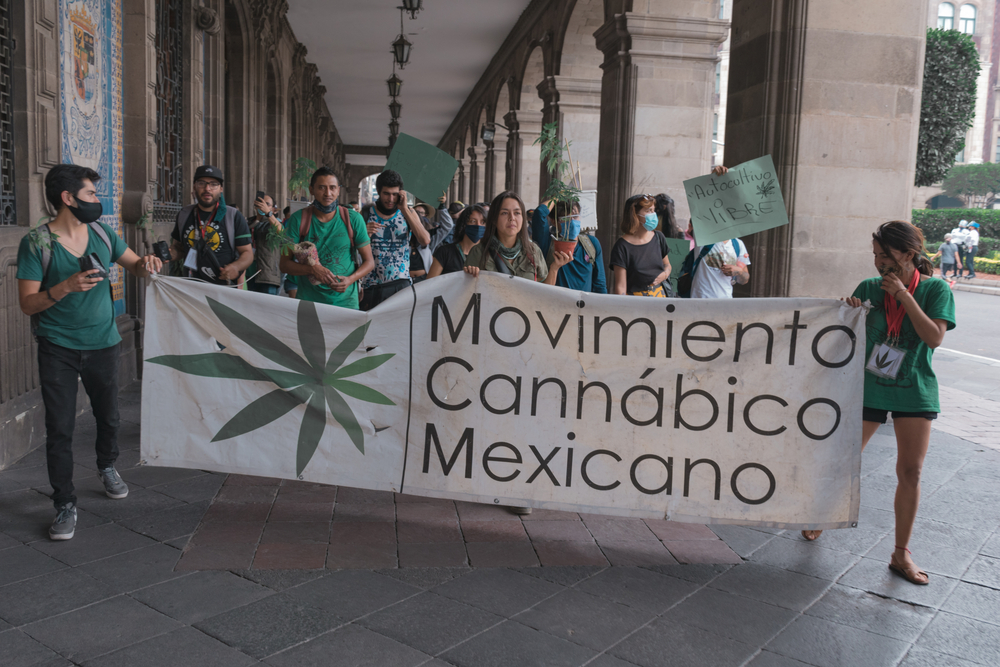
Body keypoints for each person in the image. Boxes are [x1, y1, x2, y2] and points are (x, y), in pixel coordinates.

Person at [803, 221, 955, 587]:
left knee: (911, 472)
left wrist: (905, 295)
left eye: (884, 255)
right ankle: (820, 513)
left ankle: (901, 553)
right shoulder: (869, 288)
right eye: (874, 255)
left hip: (914, 389)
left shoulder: (935, 289)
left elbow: (933, 338)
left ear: (908, 254)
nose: (877, 263)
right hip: (868, 386)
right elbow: (843, 338)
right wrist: (847, 311)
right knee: (845, 456)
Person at [16, 164, 163, 540]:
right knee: (60, 428)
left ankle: (107, 465)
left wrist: (147, 264)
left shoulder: (101, 231)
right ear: (68, 198)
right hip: (58, 348)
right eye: (91, 195)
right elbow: (28, 305)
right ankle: (64, 503)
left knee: (109, 417)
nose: (97, 201)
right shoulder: (37, 244)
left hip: (104, 343)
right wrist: (65, 287)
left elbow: (136, 267)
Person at [279, 167, 374, 309]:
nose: (328, 193)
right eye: (321, 188)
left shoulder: (353, 219)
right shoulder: (298, 220)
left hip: (346, 302)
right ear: (311, 190)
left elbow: (369, 262)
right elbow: (284, 264)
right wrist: (312, 269)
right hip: (309, 302)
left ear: (338, 190)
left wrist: (350, 280)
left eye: (332, 188)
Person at [464, 190, 569, 287]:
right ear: (494, 219)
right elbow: (467, 293)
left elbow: (544, 292)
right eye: (504, 213)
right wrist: (469, 275)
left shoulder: (533, 251)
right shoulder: (479, 253)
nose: (512, 218)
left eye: (517, 213)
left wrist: (554, 269)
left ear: (523, 219)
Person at [169, 165, 253, 286]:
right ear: (194, 186)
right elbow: (179, 248)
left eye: (213, 184)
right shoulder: (184, 214)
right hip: (192, 287)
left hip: (224, 289)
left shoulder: (233, 216)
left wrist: (236, 267)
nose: (207, 188)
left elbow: (247, 253)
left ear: (221, 189)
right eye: (201, 183)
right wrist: (166, 254)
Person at [359, 170, 430, 310]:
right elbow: (356, 248)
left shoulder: (408, 213)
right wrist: (364, 234)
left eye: (395, 194)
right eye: (386, 193)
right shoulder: (367, 214)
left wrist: (404, 210)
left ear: (401, 193)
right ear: (378, 191)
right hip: (372, 286)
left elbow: (425, 240)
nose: (391, 199)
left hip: (401, 285)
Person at [530, 200, 607, 293]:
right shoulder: (548, 242)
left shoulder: (591, 244)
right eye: (566, 218)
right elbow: (539, 213)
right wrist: (557, 197)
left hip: (583, 305)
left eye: (575, 216)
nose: (572, 222)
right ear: (554, 221)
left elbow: (600, 285)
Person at [609, 194, 674, 297]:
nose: (653, 214)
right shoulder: (622, 246)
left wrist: (665, 274)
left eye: (653, 210)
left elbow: (667, 264)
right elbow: (621, 287)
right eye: (648, 211)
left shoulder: (658, 237)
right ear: (634, 214)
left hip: (661, 299)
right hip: (636, 303)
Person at [683, 233, 751, 298]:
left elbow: (744, 280)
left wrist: (739, 271)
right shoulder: (703, 238)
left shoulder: (738, 244)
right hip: (700, 299)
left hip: (726, 301)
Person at [428, 204, 487, 277]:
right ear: (464, 224)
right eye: (473, 221)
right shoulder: (445, 252)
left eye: (483, 222)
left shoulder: (489, 255)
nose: (478, 225)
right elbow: (430, 284)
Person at [247, 193, 283, 295]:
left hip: (268, 275)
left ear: (273, 209)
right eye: (261, 203)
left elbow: (280, 231)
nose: (263, 206)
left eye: (267, 204)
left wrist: (268, 214)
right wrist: (257, 220)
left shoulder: (275, 222)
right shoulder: (249, 222)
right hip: (249, 273)